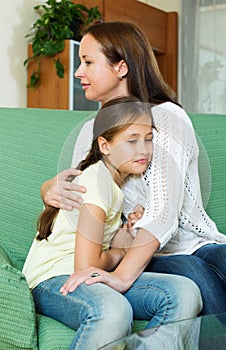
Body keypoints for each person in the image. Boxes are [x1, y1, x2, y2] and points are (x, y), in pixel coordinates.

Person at [41, 21, 226, 320]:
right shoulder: (88, 132)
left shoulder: (167, 117)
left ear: (121, 67)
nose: (78, 72)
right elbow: (86, 199)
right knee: (190, 271)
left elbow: (165, 213)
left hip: (190, 242)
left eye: (87, 62)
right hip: (137, 251)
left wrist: (121, 277)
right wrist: (49, 191)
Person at [23, 96, 202, 350]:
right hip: (52, 278)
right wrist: (119, 253)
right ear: (105, 146)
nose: (144, 150)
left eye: (148, 139)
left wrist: (126, 232)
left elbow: (96, 242)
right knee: (113, 310)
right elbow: (86, 265)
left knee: (184, 292)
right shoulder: (97, 181)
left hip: (85, 275)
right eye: (132, 141)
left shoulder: (115, 186)